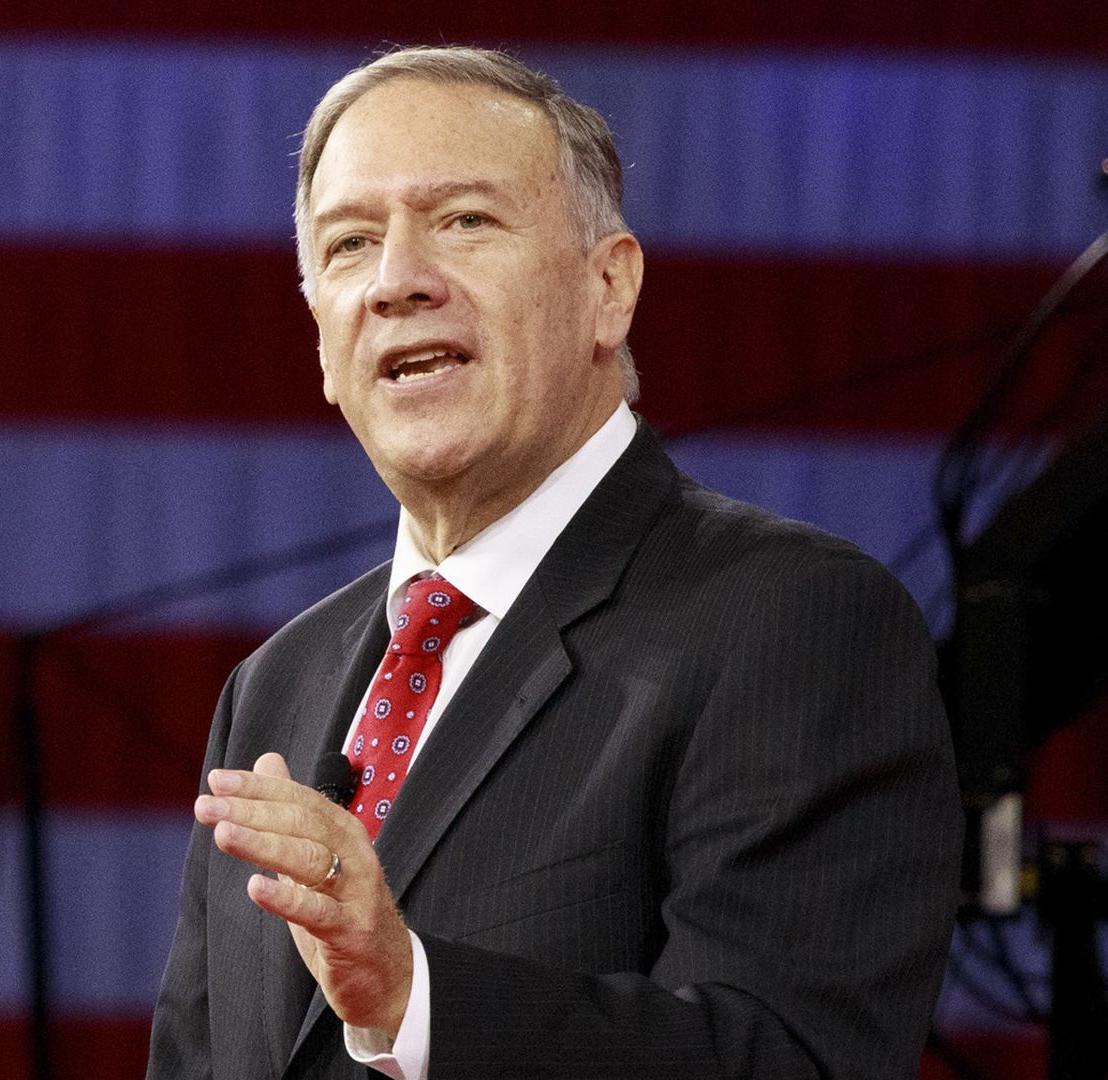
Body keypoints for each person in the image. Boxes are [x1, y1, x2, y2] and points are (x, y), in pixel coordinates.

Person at [146, 45, 961, 1080]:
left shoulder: (794, 621)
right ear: (321, 346)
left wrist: (413, 999)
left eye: (464, 221)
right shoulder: (274, 688)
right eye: (351, 243)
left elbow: (790, 1058)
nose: (396, 281)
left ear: (608, 287)